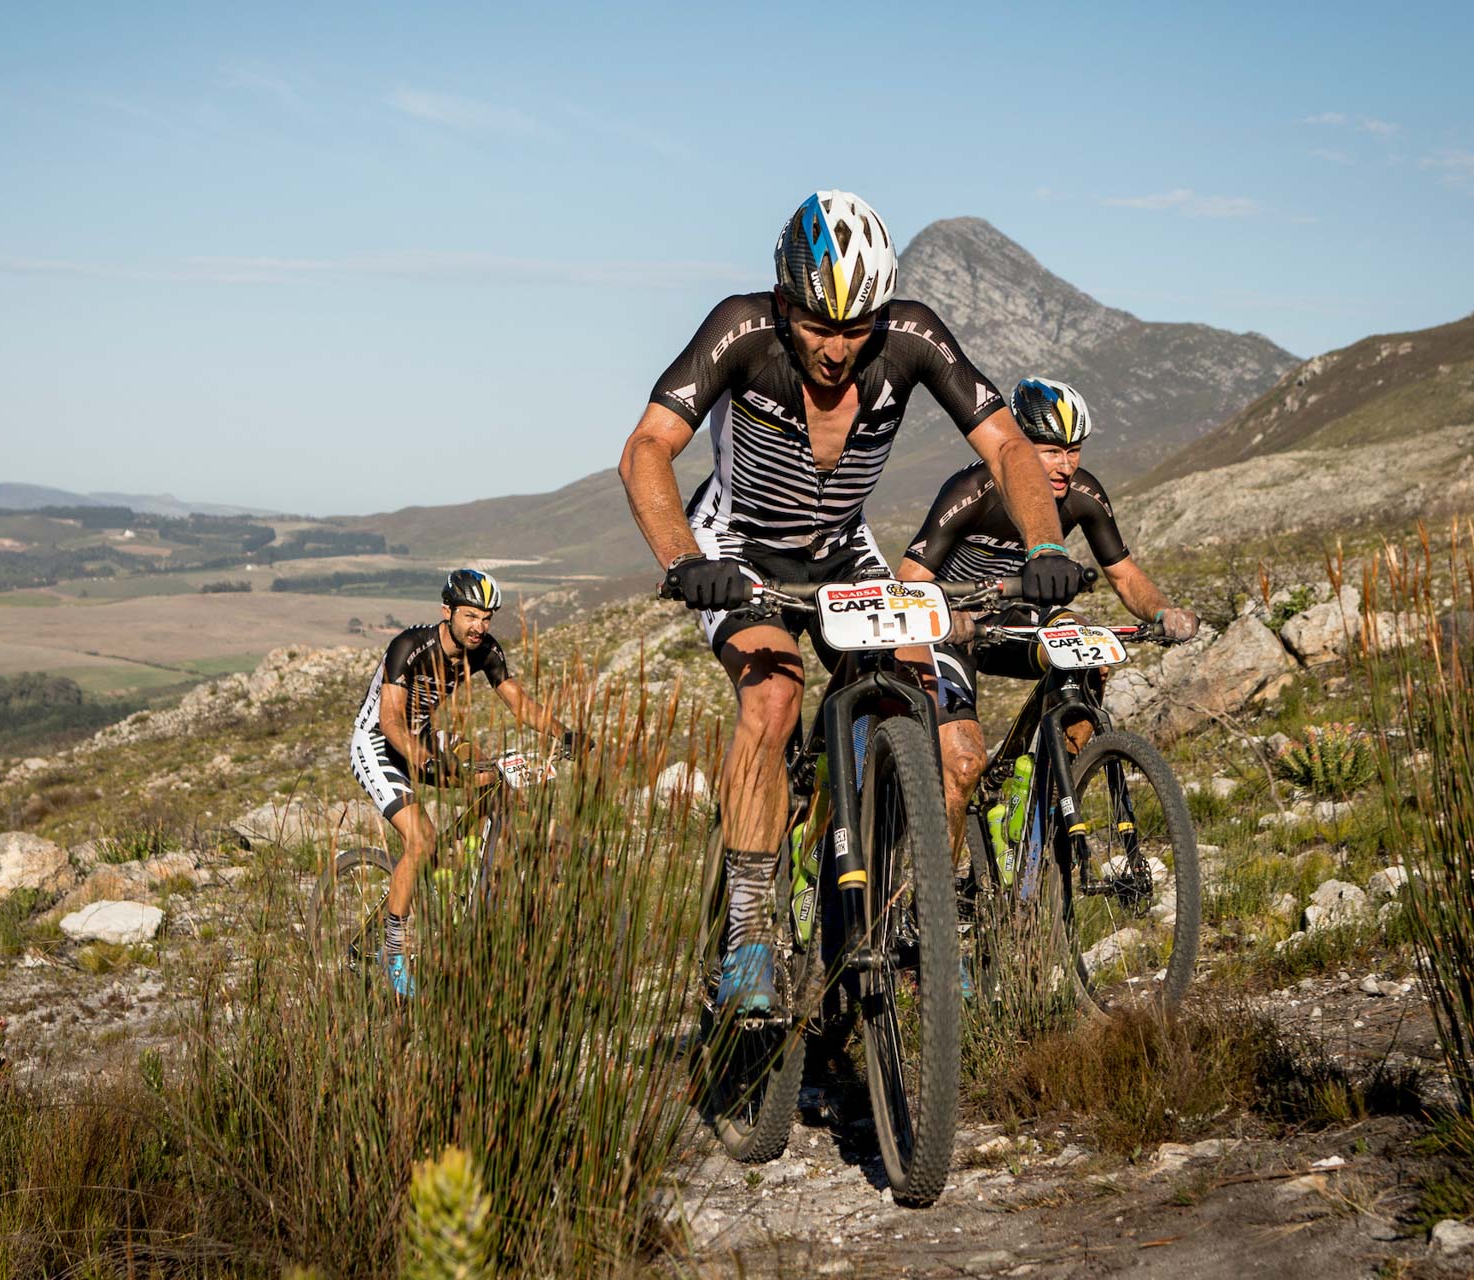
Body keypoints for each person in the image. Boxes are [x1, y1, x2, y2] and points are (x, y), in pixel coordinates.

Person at [618, 190, 1087, 1014]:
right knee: (774, 696)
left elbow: (1009, 445)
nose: (836, 349)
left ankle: (909, 910)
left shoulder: (910, 337)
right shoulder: (742, 329)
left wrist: (1046, 545)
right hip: (736, 547)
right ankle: (751, 933)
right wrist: (685, 561)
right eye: (817, 325)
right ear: (784, 301)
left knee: (923, 692)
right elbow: (648, 447)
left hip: (842, 547)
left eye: (854, 328)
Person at [894, 376, 1199, 853]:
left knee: (1086, 648)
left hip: (1016, 621)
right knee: (963, 767)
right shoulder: (973, 490)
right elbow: (910, 576)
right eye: (1050, 450)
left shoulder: (1084, 495)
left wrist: (1163, 611)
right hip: (954, 629)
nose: (1065, 465)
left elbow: (1123, 574)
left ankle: (1036, 791)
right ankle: (941, 893)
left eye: (1073, 450)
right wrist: (942, 614)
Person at [347, 568, 574, 996]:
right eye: (471, 616)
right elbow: (392, 720)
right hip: (379, 741)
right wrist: (426, 762)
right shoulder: (410, 646)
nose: (479, 627)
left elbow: (518, 701)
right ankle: (393, 951)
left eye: (487, 618)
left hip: (424, 737)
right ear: (447, 611)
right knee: (422, 839)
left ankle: (472, 883)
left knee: (496, 775)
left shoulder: (484, 650)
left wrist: (563, 732)